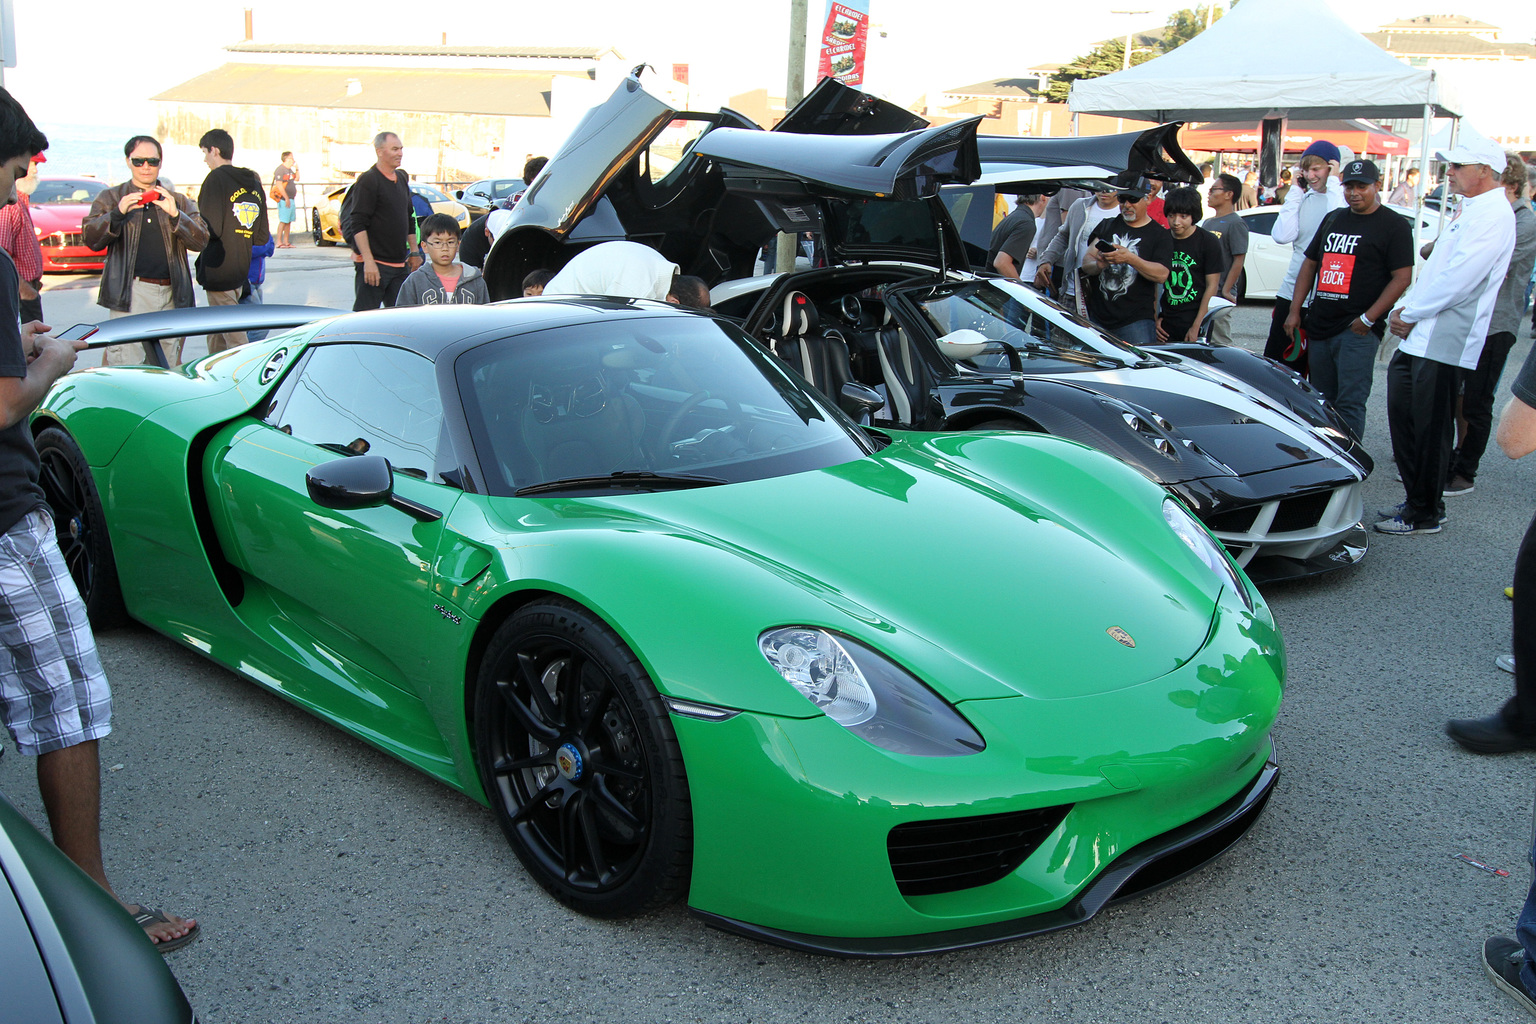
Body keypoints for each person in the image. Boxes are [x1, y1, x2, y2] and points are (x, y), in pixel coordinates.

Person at [0, 88, 198, 953]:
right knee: (67, 705)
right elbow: (5, 402)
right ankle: (92, 914)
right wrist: (45, 361)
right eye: (11, 175)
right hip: (5, 521)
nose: (15, 195)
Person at [1381, 141, 1516, 535]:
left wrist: (1410, 312)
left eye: (1458, 165)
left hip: (1445, 336)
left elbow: (1460, 279)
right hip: (1423, 331)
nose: (1449, 172)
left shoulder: (1493, 214)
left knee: (1430, 428)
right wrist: (1407, 309)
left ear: (1485, 171)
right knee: (1405, 418)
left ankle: (1424, 511)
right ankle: (1415, 500)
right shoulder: (1471, 209)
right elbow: (1439, 269)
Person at [1284, 158, 1414, 445]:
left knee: (1350, 402)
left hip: (1357, 330)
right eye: (1349, 186)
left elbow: (1402, 277)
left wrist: (1369, 318)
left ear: (1377, 186)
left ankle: (1348, 460)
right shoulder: (1334, 218)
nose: (1355, 192)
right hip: (1320, 326)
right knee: (1320, 401)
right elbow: (1310, 265)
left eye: (1362, 186)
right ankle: (1324, 455)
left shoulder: (1394, 226)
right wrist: (1295, 310)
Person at [1446, 158, 1536, 496]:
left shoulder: (1525, 222)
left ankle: (1465, 471)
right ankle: (1451, 460)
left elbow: (1481, 263)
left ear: (1508, 184)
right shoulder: (1496, 216)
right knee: (1457, 396)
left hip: (1497, 324)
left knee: (1477, 401)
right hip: (1473, 320)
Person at [82, 135, 208, 366]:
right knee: (126, 365)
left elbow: (201, 242)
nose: (146, 167)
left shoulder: (177, 200)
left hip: (172, 291)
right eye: (139, 161)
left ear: (161, 162)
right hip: (131, 291)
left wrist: (176, 216)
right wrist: (117, 214)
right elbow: (91, 238)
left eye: (152, 161)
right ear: (128, 161)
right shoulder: (110, 197)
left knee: (168, 365)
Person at [1265, 142, 1347, 376]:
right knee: (1277, 367)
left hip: (1324, 294)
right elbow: (1281, 235)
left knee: (1317, 372)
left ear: (1332, 167)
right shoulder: (1304, 198)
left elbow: (1336, 222)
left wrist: (1333, 181)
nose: (1311, 176)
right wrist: (1296, 192)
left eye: (1317, 169)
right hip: (1291, 291)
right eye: (1306, 170)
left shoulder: (1339, 198)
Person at [195, 129, 269, 354]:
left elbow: (209, 228)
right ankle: (211, 375)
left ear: (214, 150)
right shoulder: (253, 182)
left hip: (218, 268)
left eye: (205, 153)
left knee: (235, 339)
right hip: (240, 268)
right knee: (217, 333)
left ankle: (244, 379)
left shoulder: (215, 179)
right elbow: (261, 236)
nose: (205, 159)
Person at [1078, 178, 1173, 347]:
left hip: (1136, 321)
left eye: (1133, 199)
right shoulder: (1108, 225)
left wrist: (1130, 258)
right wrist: (1099, 265)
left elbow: (1162, 274)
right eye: (1122, 199)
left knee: (1138, 370)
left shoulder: (1160, 234)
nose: (1127, 205)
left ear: (1148, 198)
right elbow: (1087, 262)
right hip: (1098, 317)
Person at [344, 132, 418, 310]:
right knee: (364, 319)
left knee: (402, 316)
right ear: (379, 151)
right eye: (394, 149)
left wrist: (414, 251)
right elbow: (358, 222)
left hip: (400, 265)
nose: (400, 153)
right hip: (374, 266)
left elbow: (408, 216)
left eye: (401, 149)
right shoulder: (369, 180)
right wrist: (368, 262)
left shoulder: (401, 179)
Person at [1034, 182, 1122, 314]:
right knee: (1062, 333)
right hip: (1073, 290)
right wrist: (1046, 260)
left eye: (1110, 187)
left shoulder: (1124, 212)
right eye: (1099, 185)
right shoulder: (1080, 206)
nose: (1104, 191)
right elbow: (1063, 235)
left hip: (1108, 294)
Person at [1157, 186, 1222, 343]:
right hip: (1167, 319)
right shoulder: (1161, 239)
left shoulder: (1208, 242)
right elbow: (1153, 282)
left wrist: (1197, 326)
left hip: (1196, 317)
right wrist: (1155, 318)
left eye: (1183, 216)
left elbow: (1212, 286)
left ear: (1193, 216)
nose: (1176, 222)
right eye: (1172, 216)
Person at [394, 213, 488, 306]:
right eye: (438, 242)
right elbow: (403, 316)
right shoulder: (415, 281)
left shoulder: (474, 280)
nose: (445, 248)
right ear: (425, 246)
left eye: (450, 242)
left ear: (458, 245)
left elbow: (485, 316)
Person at [1200, 173, 1249, 346]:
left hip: (1220, 295)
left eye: (1214, 189)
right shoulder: (1208, 223)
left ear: (1229, 194)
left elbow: (1238, 259)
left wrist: (1227, 290)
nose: (1210, 194)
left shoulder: (1235, 223)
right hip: (1204, 291)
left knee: (1219, 342)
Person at [542, 240, 678, 301]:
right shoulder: (638, 287)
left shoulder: (658, 265)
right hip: (559, 310)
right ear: (674, 302)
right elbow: (618, 328)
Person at [0, 151, 44, 324]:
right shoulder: (9, 205)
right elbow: (3, 254)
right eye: (31, 164)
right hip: (20, 294)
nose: (33, 171)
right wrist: (26, 292)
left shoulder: (22, 199)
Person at [986, 193, 1037, 280]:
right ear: (1043, 197)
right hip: (992, 286)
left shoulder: (1017, 216)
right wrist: (1021, 290)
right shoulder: (1026, 223)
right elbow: (1001, 263)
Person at [240, 233, 275, 343]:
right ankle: (246, 352)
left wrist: (263, 246)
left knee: (250, 324)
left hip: (257, 281)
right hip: (246, 282)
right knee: (261, 325)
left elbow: (270, 249)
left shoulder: (261, 228)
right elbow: (245, 251)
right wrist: (263, 246)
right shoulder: (244, 228)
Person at [272, 151, 298, 249]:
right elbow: (279, 185)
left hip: (291, 199)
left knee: (289, 221)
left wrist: (297, 168)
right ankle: (279, 241)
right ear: (286, 159)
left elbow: (297, 178)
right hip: (284, 199)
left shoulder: (290, 170)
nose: (293, 160)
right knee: (283, 220)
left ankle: (286, 241)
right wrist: (286, 198)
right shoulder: (280, 170)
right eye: (291, 158)